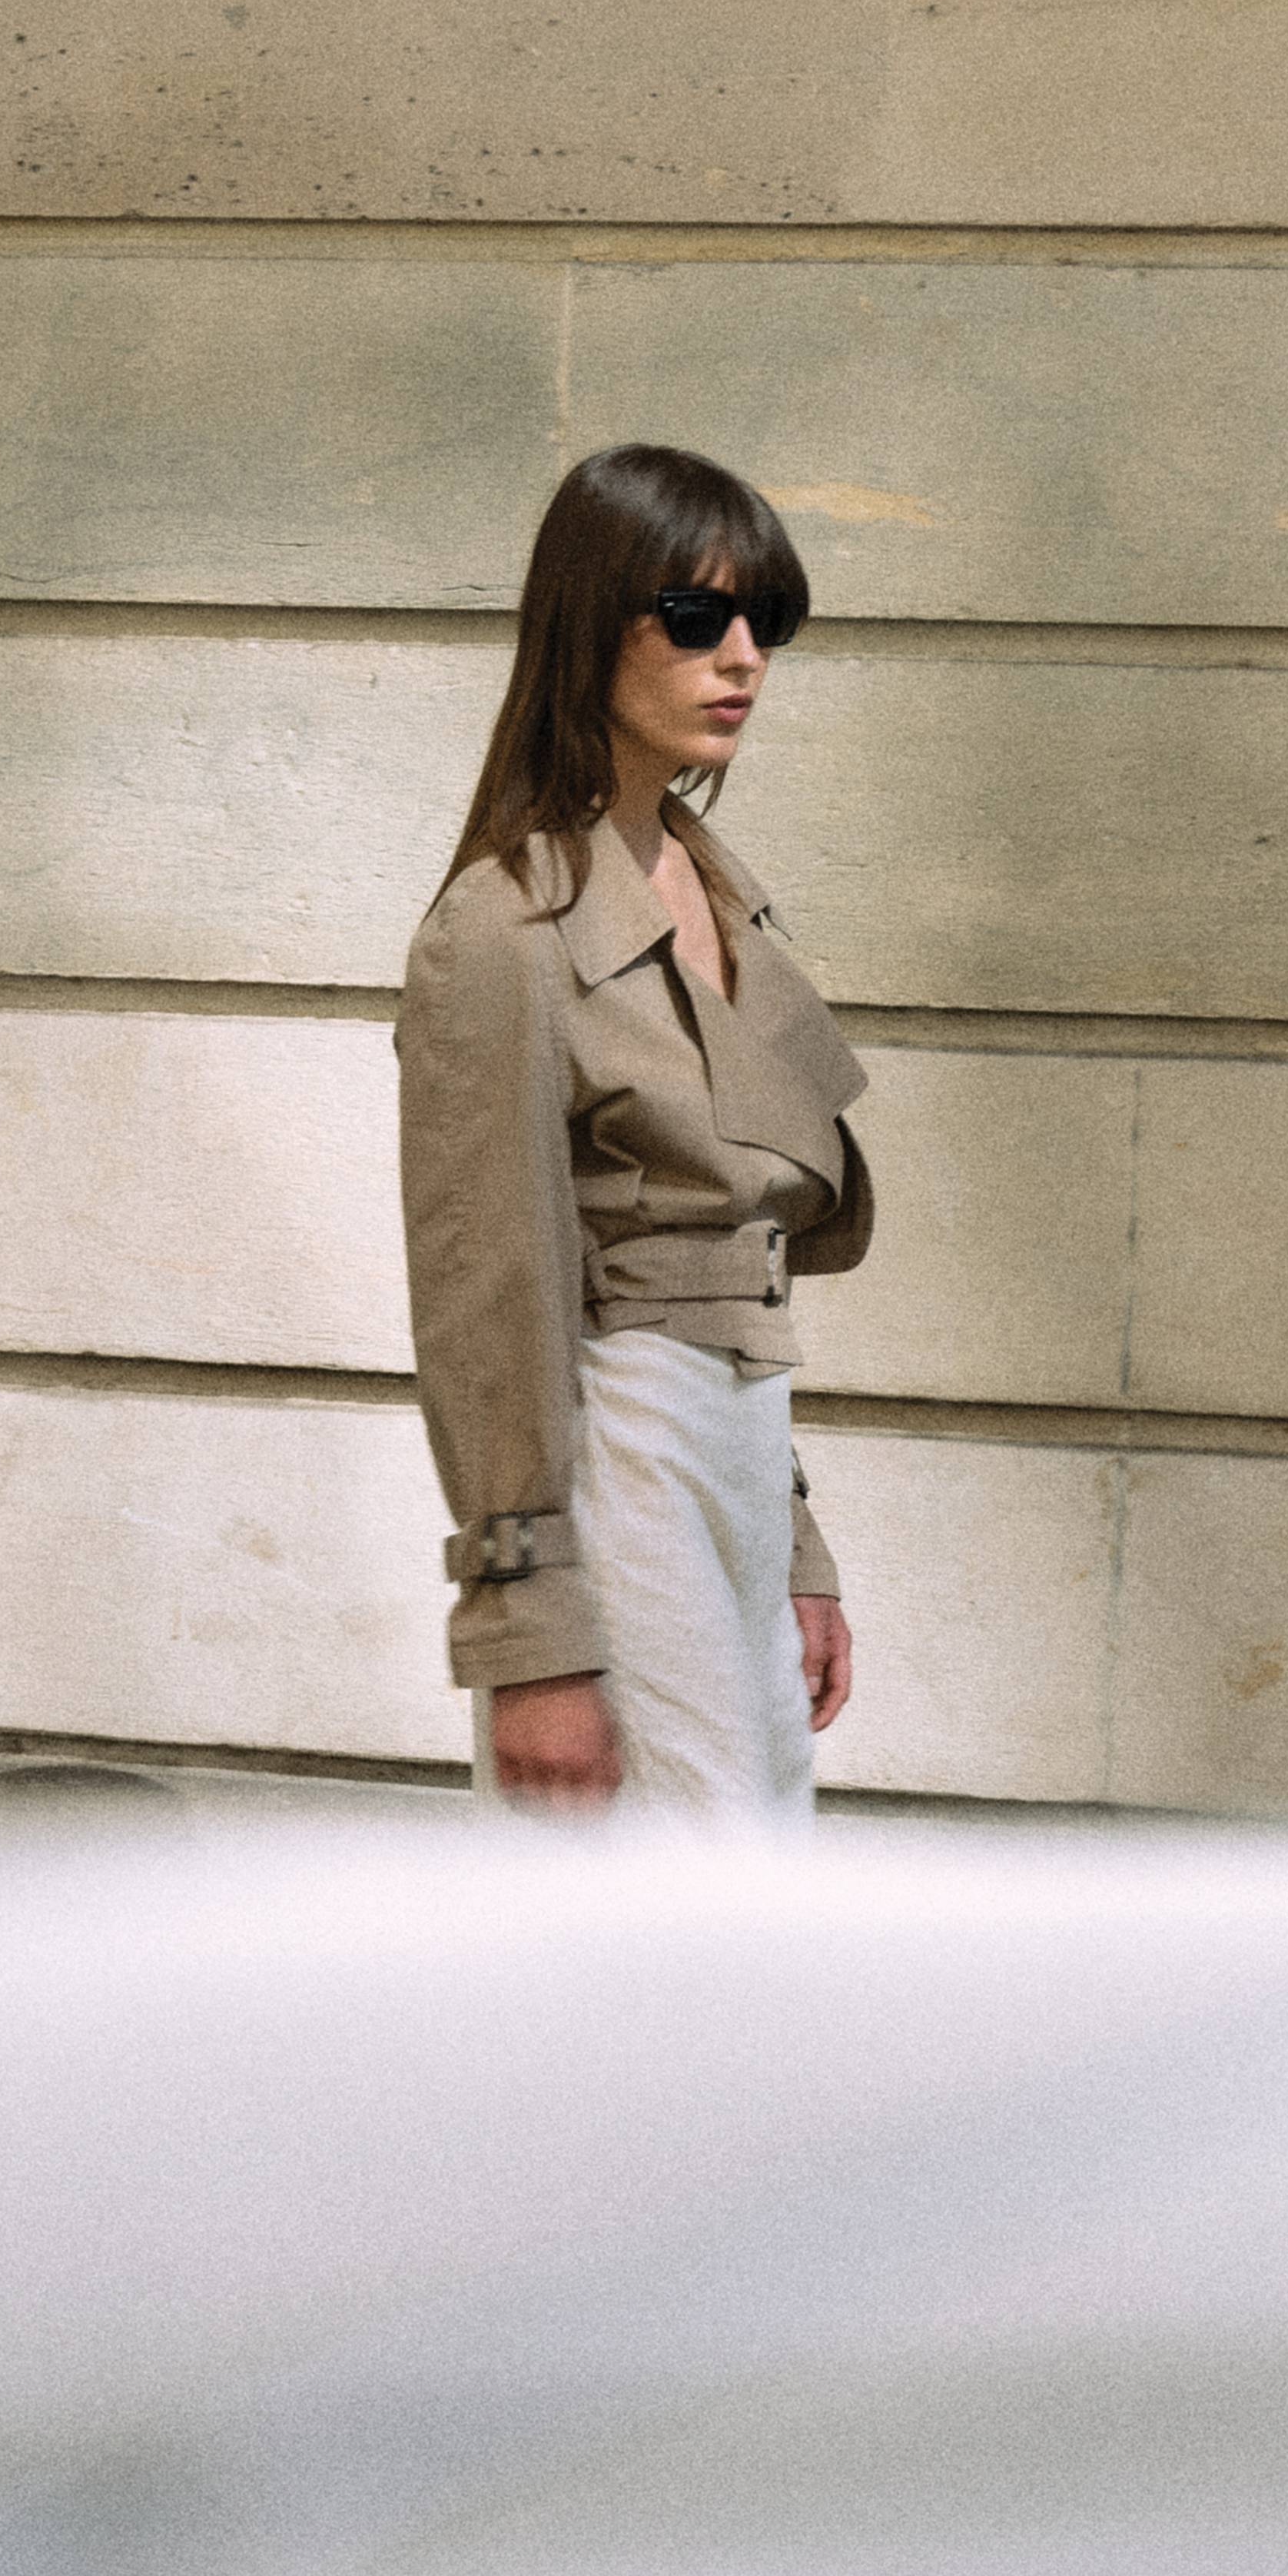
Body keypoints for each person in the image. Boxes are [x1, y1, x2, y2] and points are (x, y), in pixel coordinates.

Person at [396, 444, 874, 1817]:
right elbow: (491, 1301)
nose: (740, 659)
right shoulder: (502, 931)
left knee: (752, 1903)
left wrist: (798, 1548)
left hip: (730, 1450)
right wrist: (532, 1643)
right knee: (666, 1923)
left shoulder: (721, 897)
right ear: (586, 621)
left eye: (762, 624)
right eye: (692, 618)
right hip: (617, 1458)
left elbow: (738, 1273)